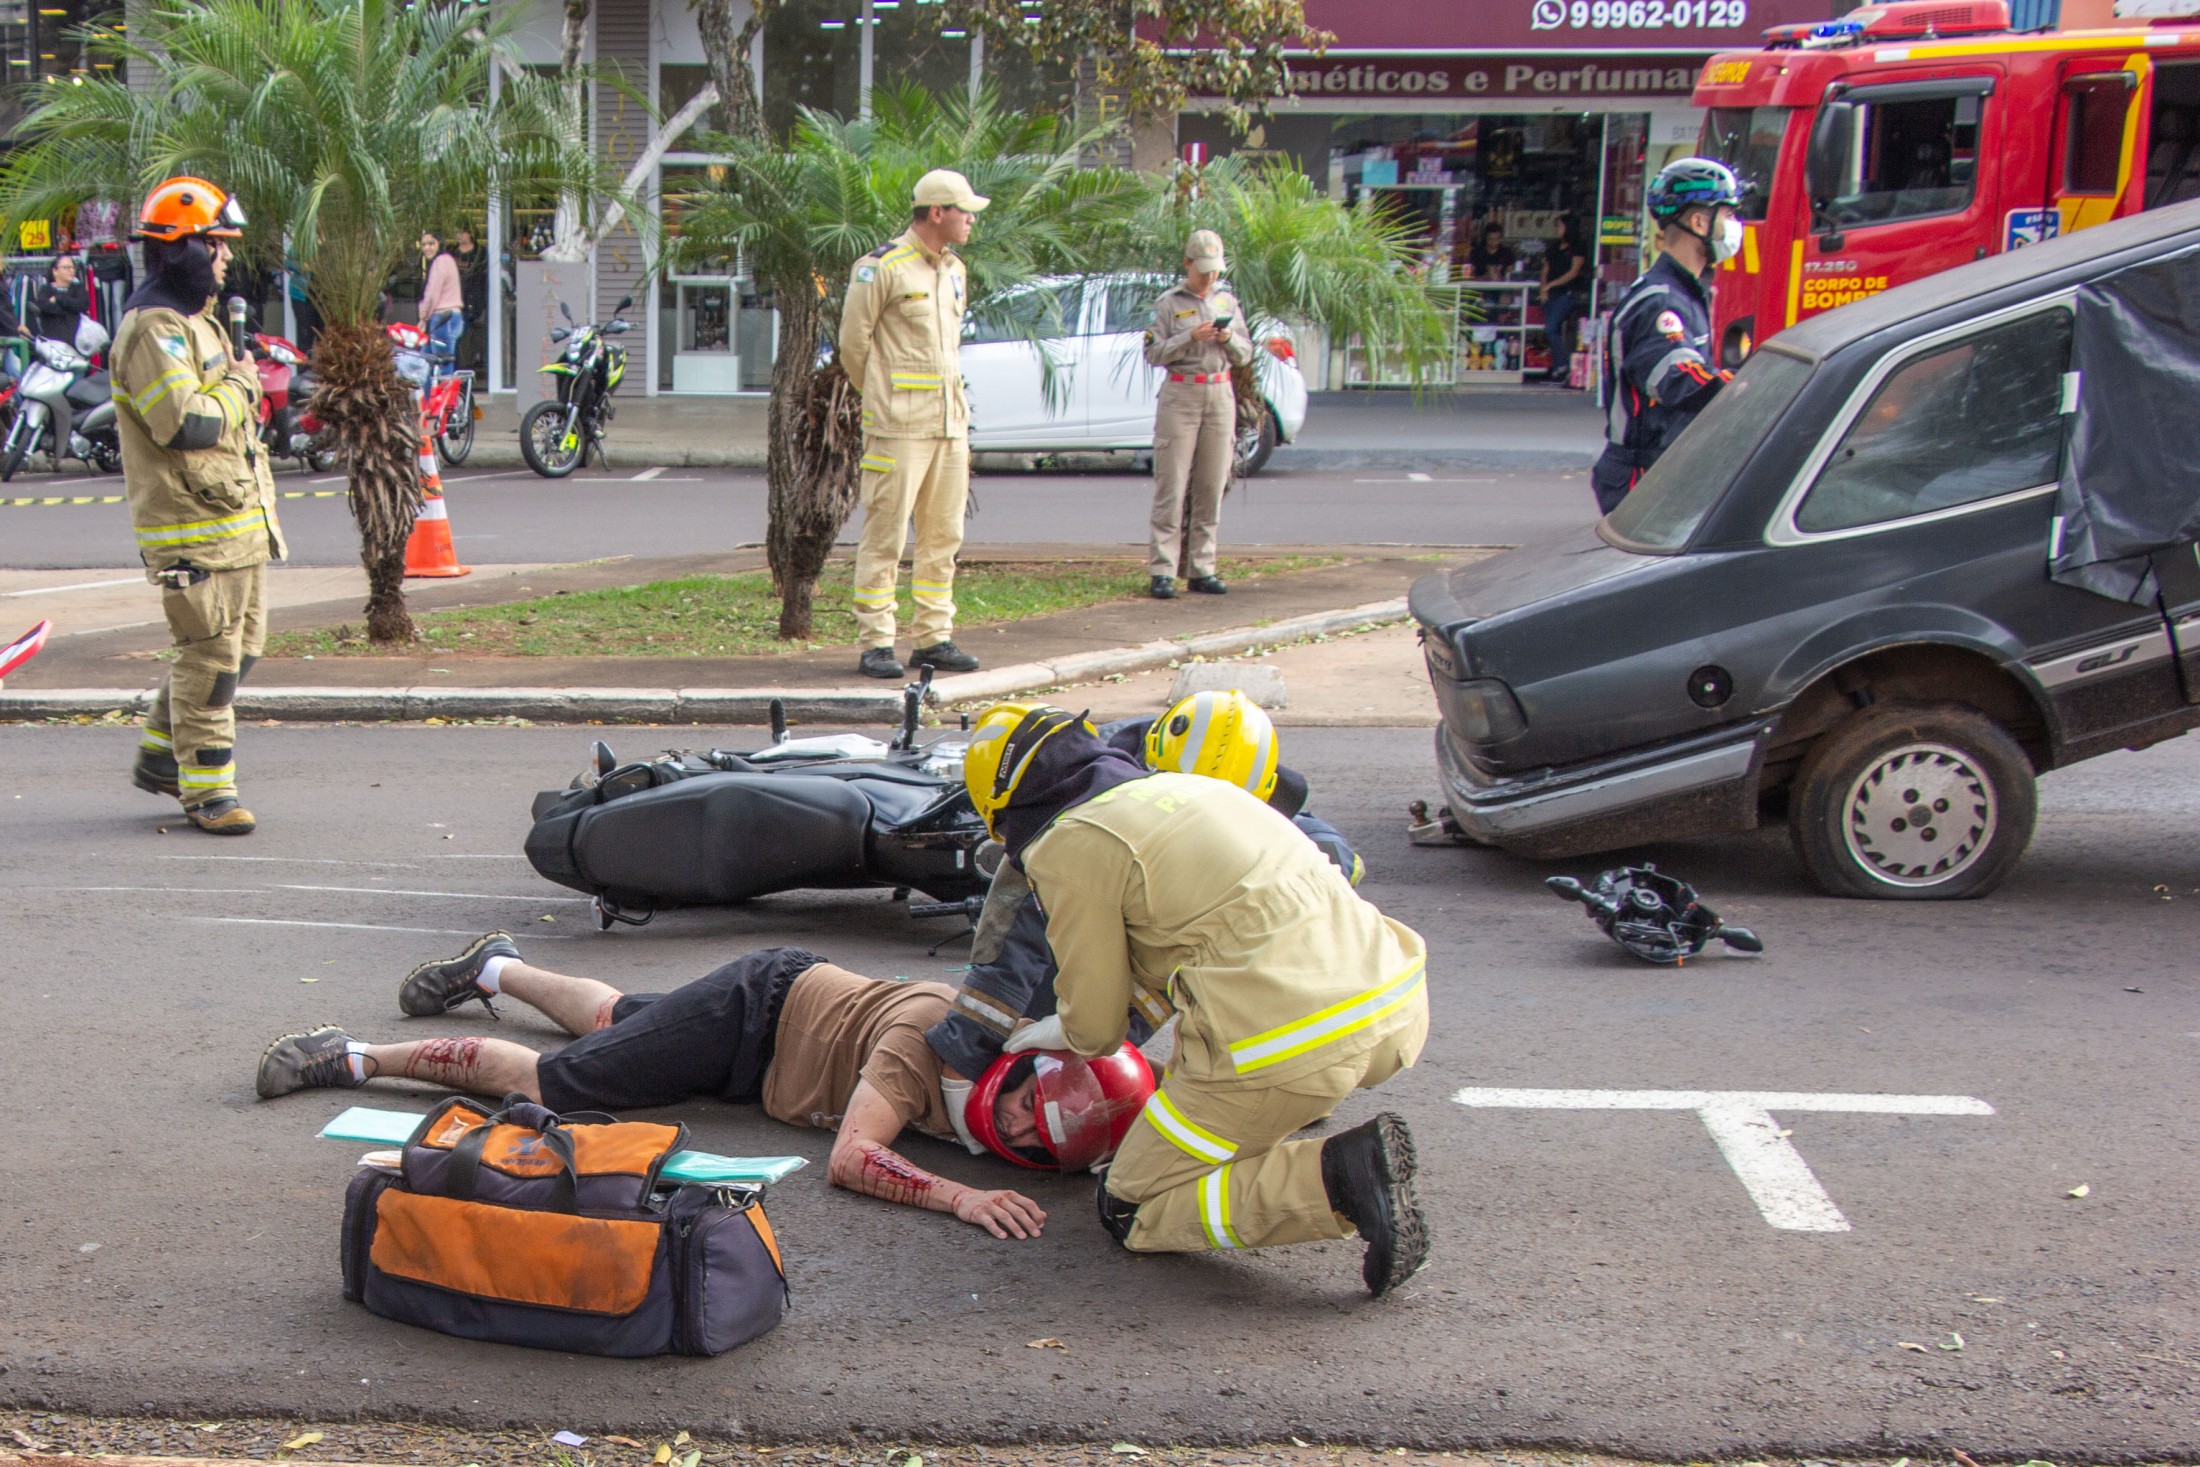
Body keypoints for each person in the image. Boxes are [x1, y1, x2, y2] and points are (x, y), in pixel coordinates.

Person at [961, 704, 1432, 1297]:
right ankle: (1289, 1153)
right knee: (1204, 1118)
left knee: (1132, 1205)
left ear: (1006, 810)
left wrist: (1063, 1028)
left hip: (1286, 1043)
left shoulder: (1069, 843)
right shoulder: (1186, 791)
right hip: (1395, 1008)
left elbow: (1100, 1025)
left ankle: (1336, 1179)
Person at [254, 937, 1151, 1239]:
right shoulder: (932, 1041)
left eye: (1040, 1136)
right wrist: (961, 1196)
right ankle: (355, 1054)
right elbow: (852, 1155)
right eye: (1032, 1096)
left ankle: (496, 968)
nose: (1023, 1120)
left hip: (767, 1057)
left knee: (613, 1024)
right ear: (1029, 1058)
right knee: (556, 1083)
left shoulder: (1052, 1091)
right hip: (757, 1014)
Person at [927, 692, 1366, 1087]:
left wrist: (1098, 1050)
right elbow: (1017, 916)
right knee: (1066, 965)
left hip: (1208, 953)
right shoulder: (1080, 786)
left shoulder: (1271, 812)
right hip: (1094, 900)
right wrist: (969, 1049)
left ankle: (1282, 1082)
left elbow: (1329, 863)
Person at [114, 177, 284, 836]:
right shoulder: (153, 330)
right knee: (210, 657)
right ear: (176, 248)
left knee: (238, 650)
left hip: (235, 525)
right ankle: (208, 791)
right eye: (212, 245)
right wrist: (244, 383)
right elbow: (185, 424)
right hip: (191, 530)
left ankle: (162, 756)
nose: (223, 258)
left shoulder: (193, 320)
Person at [838, 169, 988, 682]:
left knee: (943, 536)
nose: (971, 219)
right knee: (885, 536)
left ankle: (932, 638)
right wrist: (882, 397)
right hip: (898, 426)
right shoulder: (881, 267)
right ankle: (877, 641)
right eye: (964, 210)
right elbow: (853, 345)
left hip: (949, 425)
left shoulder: (955, 270)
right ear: (937, 212)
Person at [1589, 158, 1744, 516]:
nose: (1734, 226)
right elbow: (1676, 377)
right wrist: (1747, 386)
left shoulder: (1685, 290)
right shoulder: (1662, 303)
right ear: (1699, 222)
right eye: (1728, 215)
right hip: (1643, 475)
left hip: (1662, 467)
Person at [1141, 230, 1252, 601]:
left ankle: (1202, 567)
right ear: (1187, 264)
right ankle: (1162, 570)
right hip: (1181, 392)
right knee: (1171, 484)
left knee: (1211, 484)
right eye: (1202, 269)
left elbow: (1246, 353)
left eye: (1215, 270)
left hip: (1219, 392)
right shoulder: (1170, 304)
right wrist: (1191, 336)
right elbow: (1153, 353)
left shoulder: (1227, 301)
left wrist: (1227, 339)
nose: (1209, 277)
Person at [1538, 217, 1588, 383]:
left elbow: (1573, 272)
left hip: (1567, 293)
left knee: (1551, 328)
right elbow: (1545, 269)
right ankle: (1556, 365)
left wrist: (1551, 285)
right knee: (1553, 330)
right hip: (1551, 294)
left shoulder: (1577, 247)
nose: (1557, 229)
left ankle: (1562, 365)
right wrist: (1544, 287)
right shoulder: (1553, 248)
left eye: (1560, 225)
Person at [417, 229, 464, 363]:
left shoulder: (440, 262)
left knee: (442, 366)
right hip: (447, 318)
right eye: (423, 244)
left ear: (440, 243)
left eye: (431, 243)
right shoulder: (446, 260)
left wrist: (424, 317)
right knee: (426, 365)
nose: (427, 248)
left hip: (443, 318)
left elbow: (433, 294)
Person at [451, 225, 487, 373]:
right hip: (454, 299)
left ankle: (475, 361)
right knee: (456, 335)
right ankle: (458, 366)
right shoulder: (452, 252)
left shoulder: (480, 253)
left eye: (462, 231)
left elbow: (483, 277)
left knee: (468, 333)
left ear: (470, 233)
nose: (459, 235)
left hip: (473, 300)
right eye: (457, 232)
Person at [33, 254, 89, 343]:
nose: (71, 270)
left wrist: (58, 298)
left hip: (77, 342)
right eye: (66, 267)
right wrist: (70, 308)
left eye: (72, 267)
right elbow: (44, 308)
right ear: (55, 271)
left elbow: (82, 305)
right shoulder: (46, 289)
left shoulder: (78, 287)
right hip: (53, 343)